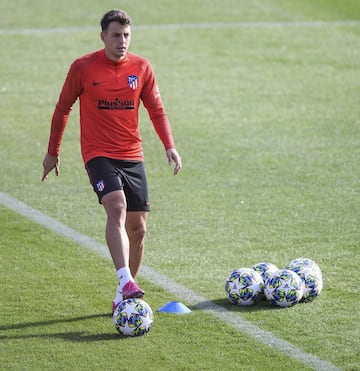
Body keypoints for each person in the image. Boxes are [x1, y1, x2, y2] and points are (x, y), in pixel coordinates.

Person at [41, 9, 182, 313]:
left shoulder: (142, 68)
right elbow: (63, 108)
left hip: (132, 154)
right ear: (103, 36)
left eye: (127, 35)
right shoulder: (83, 67)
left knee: (139, 229)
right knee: (116, 207)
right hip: (98, 153)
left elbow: (157, 110)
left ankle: (123, 292)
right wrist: (53, 151)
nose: (122, 41)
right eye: (116, 35)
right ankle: (126, 279)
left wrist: (169, 146)